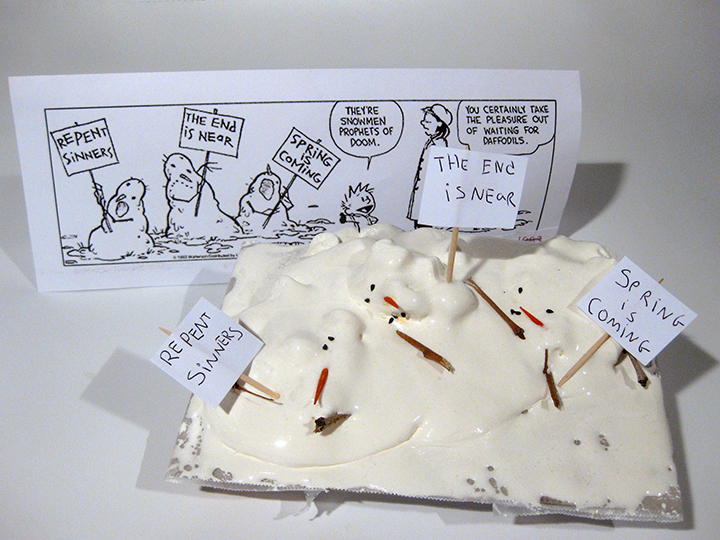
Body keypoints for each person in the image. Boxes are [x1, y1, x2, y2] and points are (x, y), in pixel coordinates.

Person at [407, 103, 453, 226]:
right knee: (421, 227)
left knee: (425, 229)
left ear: (439, 124)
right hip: (424, 195)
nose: (423, 124)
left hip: (429, 197)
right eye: (424, 121)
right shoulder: (432, 142)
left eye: (428, 122)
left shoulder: (439, 144)